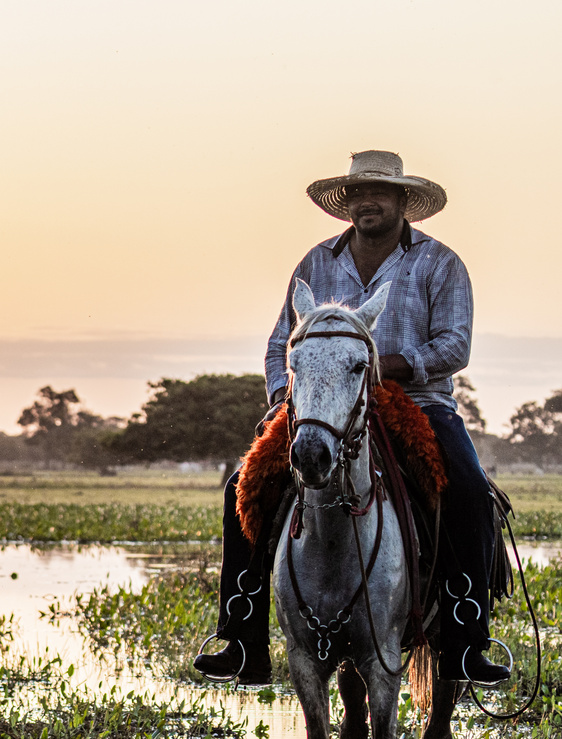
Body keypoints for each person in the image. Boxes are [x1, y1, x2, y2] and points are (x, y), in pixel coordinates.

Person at [195, 150, 507, 685]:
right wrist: (281, 398)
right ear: (347, 203)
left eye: (379, 193)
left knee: (470, 492)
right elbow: (280, 344)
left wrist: (392, 367)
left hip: (418, 401)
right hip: (323, 407)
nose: (367, 202)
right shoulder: (315, 262)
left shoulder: (440, 262)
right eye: (358, 193)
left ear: (403, 201)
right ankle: (241, 639)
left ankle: (465, 640)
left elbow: (456, 344)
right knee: (241, 489)